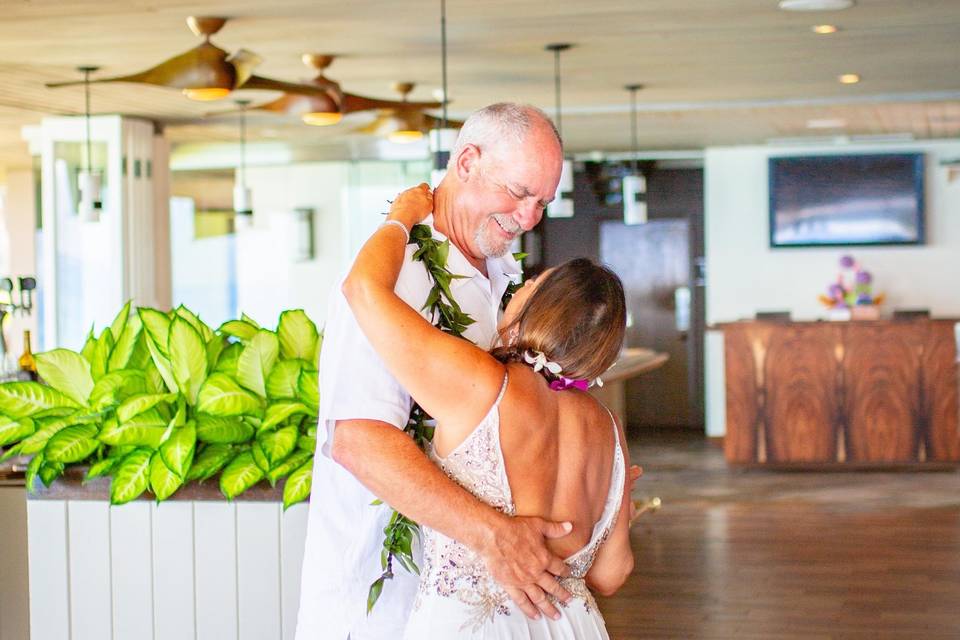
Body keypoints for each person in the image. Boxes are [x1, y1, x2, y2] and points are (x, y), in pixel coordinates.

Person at [295, 103, 575, 640]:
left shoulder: (508, 281)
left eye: (543, 202)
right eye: (519, 193)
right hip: (385, 596)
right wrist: (495, 535)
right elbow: (359, 441)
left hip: (478, 601)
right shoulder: (395, 276)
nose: (530, 218)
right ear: (467, 161)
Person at [341, 183, 634, 638]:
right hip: (571, 626)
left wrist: (399, 217)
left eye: (532, 282)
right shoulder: (607, 427)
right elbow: (611, 574)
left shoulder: (481, 383)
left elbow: (362, 289)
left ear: (539, 307)